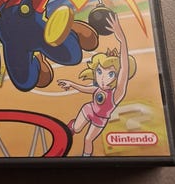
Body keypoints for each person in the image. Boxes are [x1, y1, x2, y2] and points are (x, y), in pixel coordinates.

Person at [57, 12, 136, 156]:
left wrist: (122, 41)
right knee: (76, 128)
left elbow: (124, 69)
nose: (103, 78)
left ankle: (85, 160)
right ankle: (67, 132)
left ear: (116, 77)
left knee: (88, 139)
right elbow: (86, 89)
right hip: (88, 109)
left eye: (110, 74)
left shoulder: (117, 94)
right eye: (99, 72)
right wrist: (71, 84)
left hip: (100, 119)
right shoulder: (98, 88)